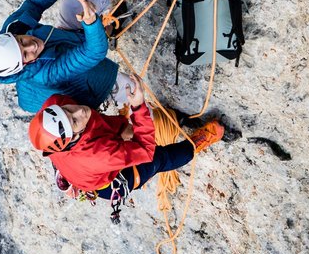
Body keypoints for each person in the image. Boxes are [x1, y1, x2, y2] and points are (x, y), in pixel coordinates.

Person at [27, 75, 224, 202]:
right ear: (74, 138)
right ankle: (199, 142)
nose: (79, 111)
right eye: (75, 121)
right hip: (111, 182)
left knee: (125, 132)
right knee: (159, 159)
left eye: (69, 111)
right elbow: (146, 150)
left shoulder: (55, 105)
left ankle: (77, 175)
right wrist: (138, 107)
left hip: (83, 163)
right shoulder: (99, 156)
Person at [0, 0, 135, 112]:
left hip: (66, 37)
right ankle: (101, 31)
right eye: (25, 55)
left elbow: (33, 4)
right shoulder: (46, 75)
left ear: (13, 35)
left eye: (22, 41)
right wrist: (91, 23)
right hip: (91, 83)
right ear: (23, 66)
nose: (32, 45)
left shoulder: (14, 27)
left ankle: (102, 29)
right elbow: (93, 53)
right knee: (135, 91)